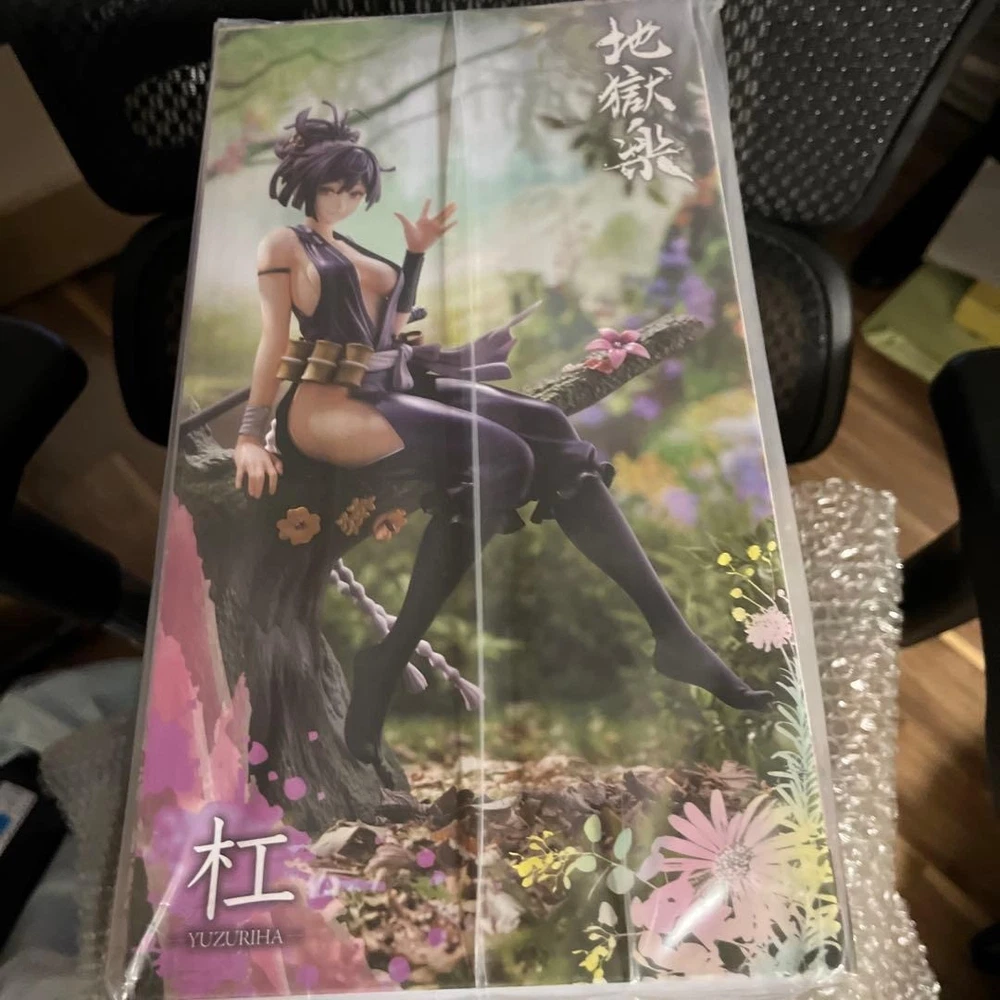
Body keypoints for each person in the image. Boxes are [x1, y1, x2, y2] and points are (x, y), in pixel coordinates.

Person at [233, 104, 771, 766]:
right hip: (326, 407)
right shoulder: (284, 246)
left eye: (354, 189)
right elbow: (272, 340)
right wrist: (252, 434)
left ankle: (672, 634)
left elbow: (389, 328)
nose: (344, 199)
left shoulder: (350, 248)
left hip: (391, 386)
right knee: (504, 457)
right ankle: (389, 657)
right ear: (309, 182)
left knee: (547, 426)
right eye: (334, 187)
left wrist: (415, 255)